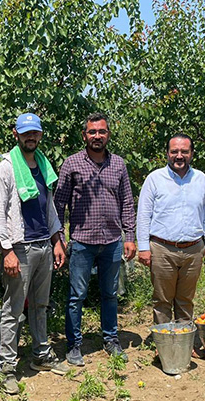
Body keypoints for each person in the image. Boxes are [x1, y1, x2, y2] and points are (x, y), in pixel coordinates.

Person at [0, 113, 69, 394]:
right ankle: (7, 367)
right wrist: (6, 251)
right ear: (16, 134)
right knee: (13, 309)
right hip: (20, 249)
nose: (30, 137)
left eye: (34, 133)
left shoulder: (44, 166)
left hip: (44, 245)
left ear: (40, 135)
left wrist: (58, 238)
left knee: (40, 305)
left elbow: (50, 209)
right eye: (25, 133)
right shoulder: (6, 169)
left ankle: (41, 354)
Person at [54, 112, 137, 366]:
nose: (97, 136)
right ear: (84, 135)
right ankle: (74, 344)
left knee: (110, 293)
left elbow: (126, 202)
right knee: (76, 295)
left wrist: (129, 236)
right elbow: (58, 205)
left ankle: (111, 339)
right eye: (92, 132)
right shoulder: (72, 164)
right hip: (81, 242)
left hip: (112, 240)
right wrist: (58, 239)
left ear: (108, 134)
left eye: (102, 131)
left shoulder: (119, 164)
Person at [136, 134, 205, 324]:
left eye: (184, 152)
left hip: (193, 249)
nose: (179, 156)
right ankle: (164, 344)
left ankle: (183, 341)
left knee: (185, 300)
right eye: (174, 151)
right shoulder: (155, 179)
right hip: (162, 249)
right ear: (167, 153)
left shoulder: (201, 178)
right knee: (162, 300)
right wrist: (143, 248)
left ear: (192, 154)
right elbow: (143, 215)